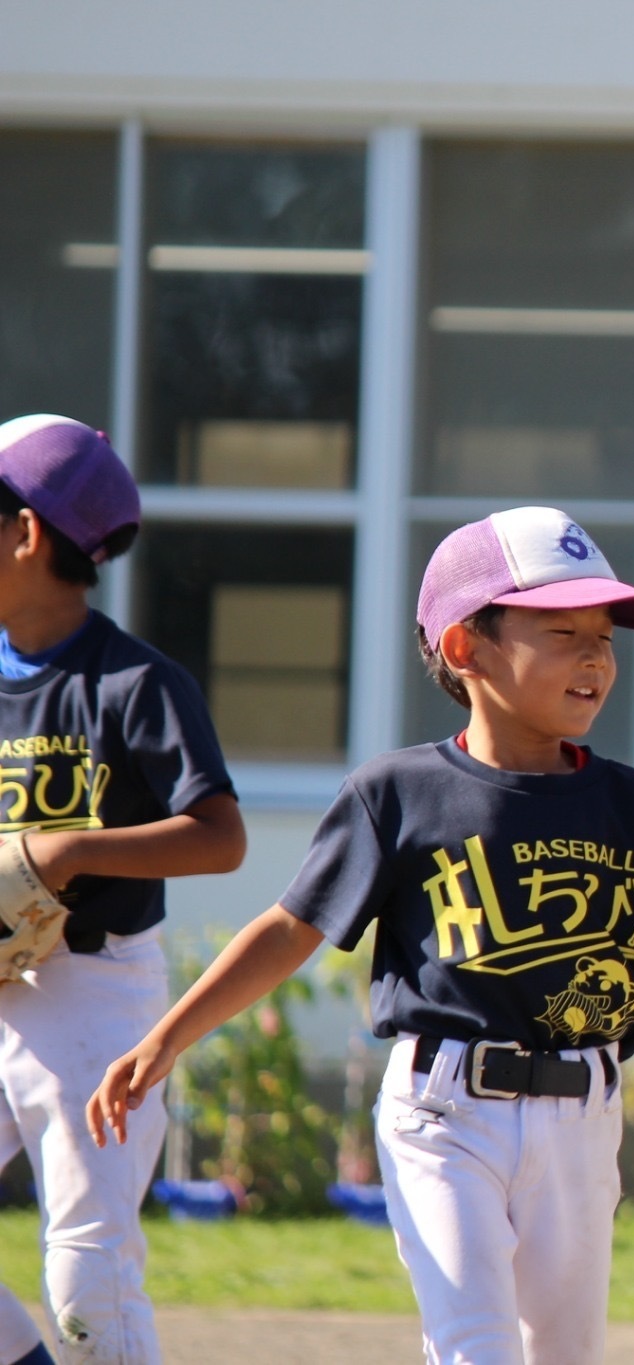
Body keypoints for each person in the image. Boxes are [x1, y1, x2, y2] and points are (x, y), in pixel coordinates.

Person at [88, 507, 634, 1365]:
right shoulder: (399, 792)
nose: (596, 657)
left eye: (605, 636)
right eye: (563, 632)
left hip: (583, 1116)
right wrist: (166, 1037)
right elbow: (290, 928)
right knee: (476, 1350)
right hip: (445, 1111)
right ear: (465, 647)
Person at [0, 415, 248, 1365]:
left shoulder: (135, 681)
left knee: (87, 1272)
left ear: (28, 532)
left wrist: (69, 849)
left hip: (93, 990)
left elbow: (220, 837)